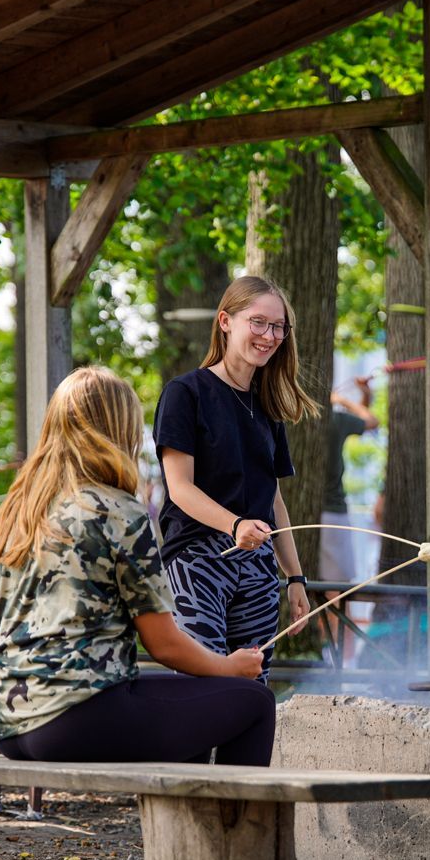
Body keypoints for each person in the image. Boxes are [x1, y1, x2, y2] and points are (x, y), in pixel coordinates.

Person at [0, 367, 273, 765]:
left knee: (190, 707)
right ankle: (232, 829)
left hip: (12, 729)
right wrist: (229, 667)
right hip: (81, 718)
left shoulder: (17, 513)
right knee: (255, 701)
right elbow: (163, 644)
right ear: (117, 430)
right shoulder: (118, 511)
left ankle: (198, 824)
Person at [153, 275, 320, 682]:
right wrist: (235, 525)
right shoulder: (185, 393)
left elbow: (274, 501)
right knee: (201, 685)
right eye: (258, 322)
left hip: (259, 568)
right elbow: (180, 488)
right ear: (226, 321)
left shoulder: (268, 406)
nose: (270, 335)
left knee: (250, 686)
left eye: (278, 326)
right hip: (197, 560)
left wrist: (295, 577)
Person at [321, 376, 379, 585]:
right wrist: (343, 401)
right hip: (333, 513)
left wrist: (365, 395)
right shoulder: (336, 420)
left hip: (297, 516)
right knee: (338, 587)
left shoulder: (292, 418)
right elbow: (371, 421)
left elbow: (359, 424)